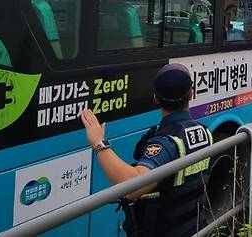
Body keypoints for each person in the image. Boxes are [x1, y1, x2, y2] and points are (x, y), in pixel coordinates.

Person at [81, 64, 212, 237]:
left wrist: (98, 142)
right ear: (191, 95)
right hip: (193, 228)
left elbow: (133, 186)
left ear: (156, 99)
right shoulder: (205, 132)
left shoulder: (166, 143)